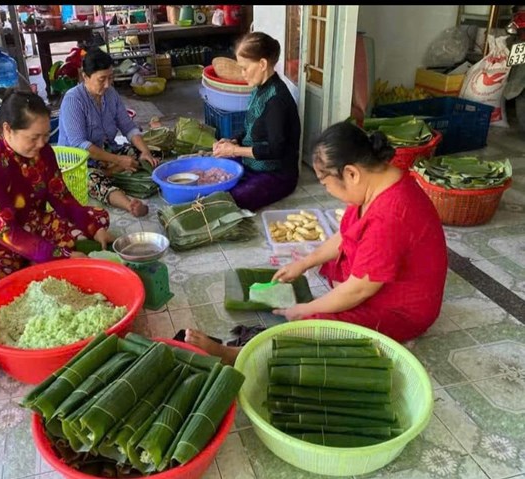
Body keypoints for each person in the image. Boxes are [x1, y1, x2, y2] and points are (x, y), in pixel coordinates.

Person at [187, 121, 448, 365]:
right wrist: (304, 263)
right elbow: (346, 234)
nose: (327, 192)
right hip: (379, 281)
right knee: (334, 260)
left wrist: (306, 310)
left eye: (326, 184)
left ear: (351, 174)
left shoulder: (391, 214)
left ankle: (235, 354)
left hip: (402, 310)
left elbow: (359, 290)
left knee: (315, 323)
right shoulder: (379, 182)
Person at [0, 88, 114, 387]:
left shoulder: (42, 152)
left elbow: (62, 198)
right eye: (33, 137)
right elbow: (6, 233)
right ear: (7, 129)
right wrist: (61, 256)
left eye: (46, 135)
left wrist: (93, 229)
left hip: (31, 225)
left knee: (97, 217)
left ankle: (40, 259)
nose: (42, 144)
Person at [58, 47, 158, 218]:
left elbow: (127, 126)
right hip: (80, 162)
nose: (107, 84)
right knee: (93, 181)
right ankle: (129, 204)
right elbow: (80, 145)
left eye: (110, 78)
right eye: (101, 79)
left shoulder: (110, 94)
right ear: (85, 76)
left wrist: (145, 151)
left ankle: (112, 171)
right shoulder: (73, 100)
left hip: (107, 151)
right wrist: (119, 160)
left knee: (148, 154)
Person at [212, 32, 301, 211]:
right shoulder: (259, 89)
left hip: (277, 174)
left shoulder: (276, 99)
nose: (242, 74)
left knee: (229, 201)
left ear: (262, 64)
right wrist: (233, 141)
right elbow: (250, 128)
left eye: (245, 68)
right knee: (213, 174)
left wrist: (235, 151)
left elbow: (276, 149)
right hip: (253, 165)